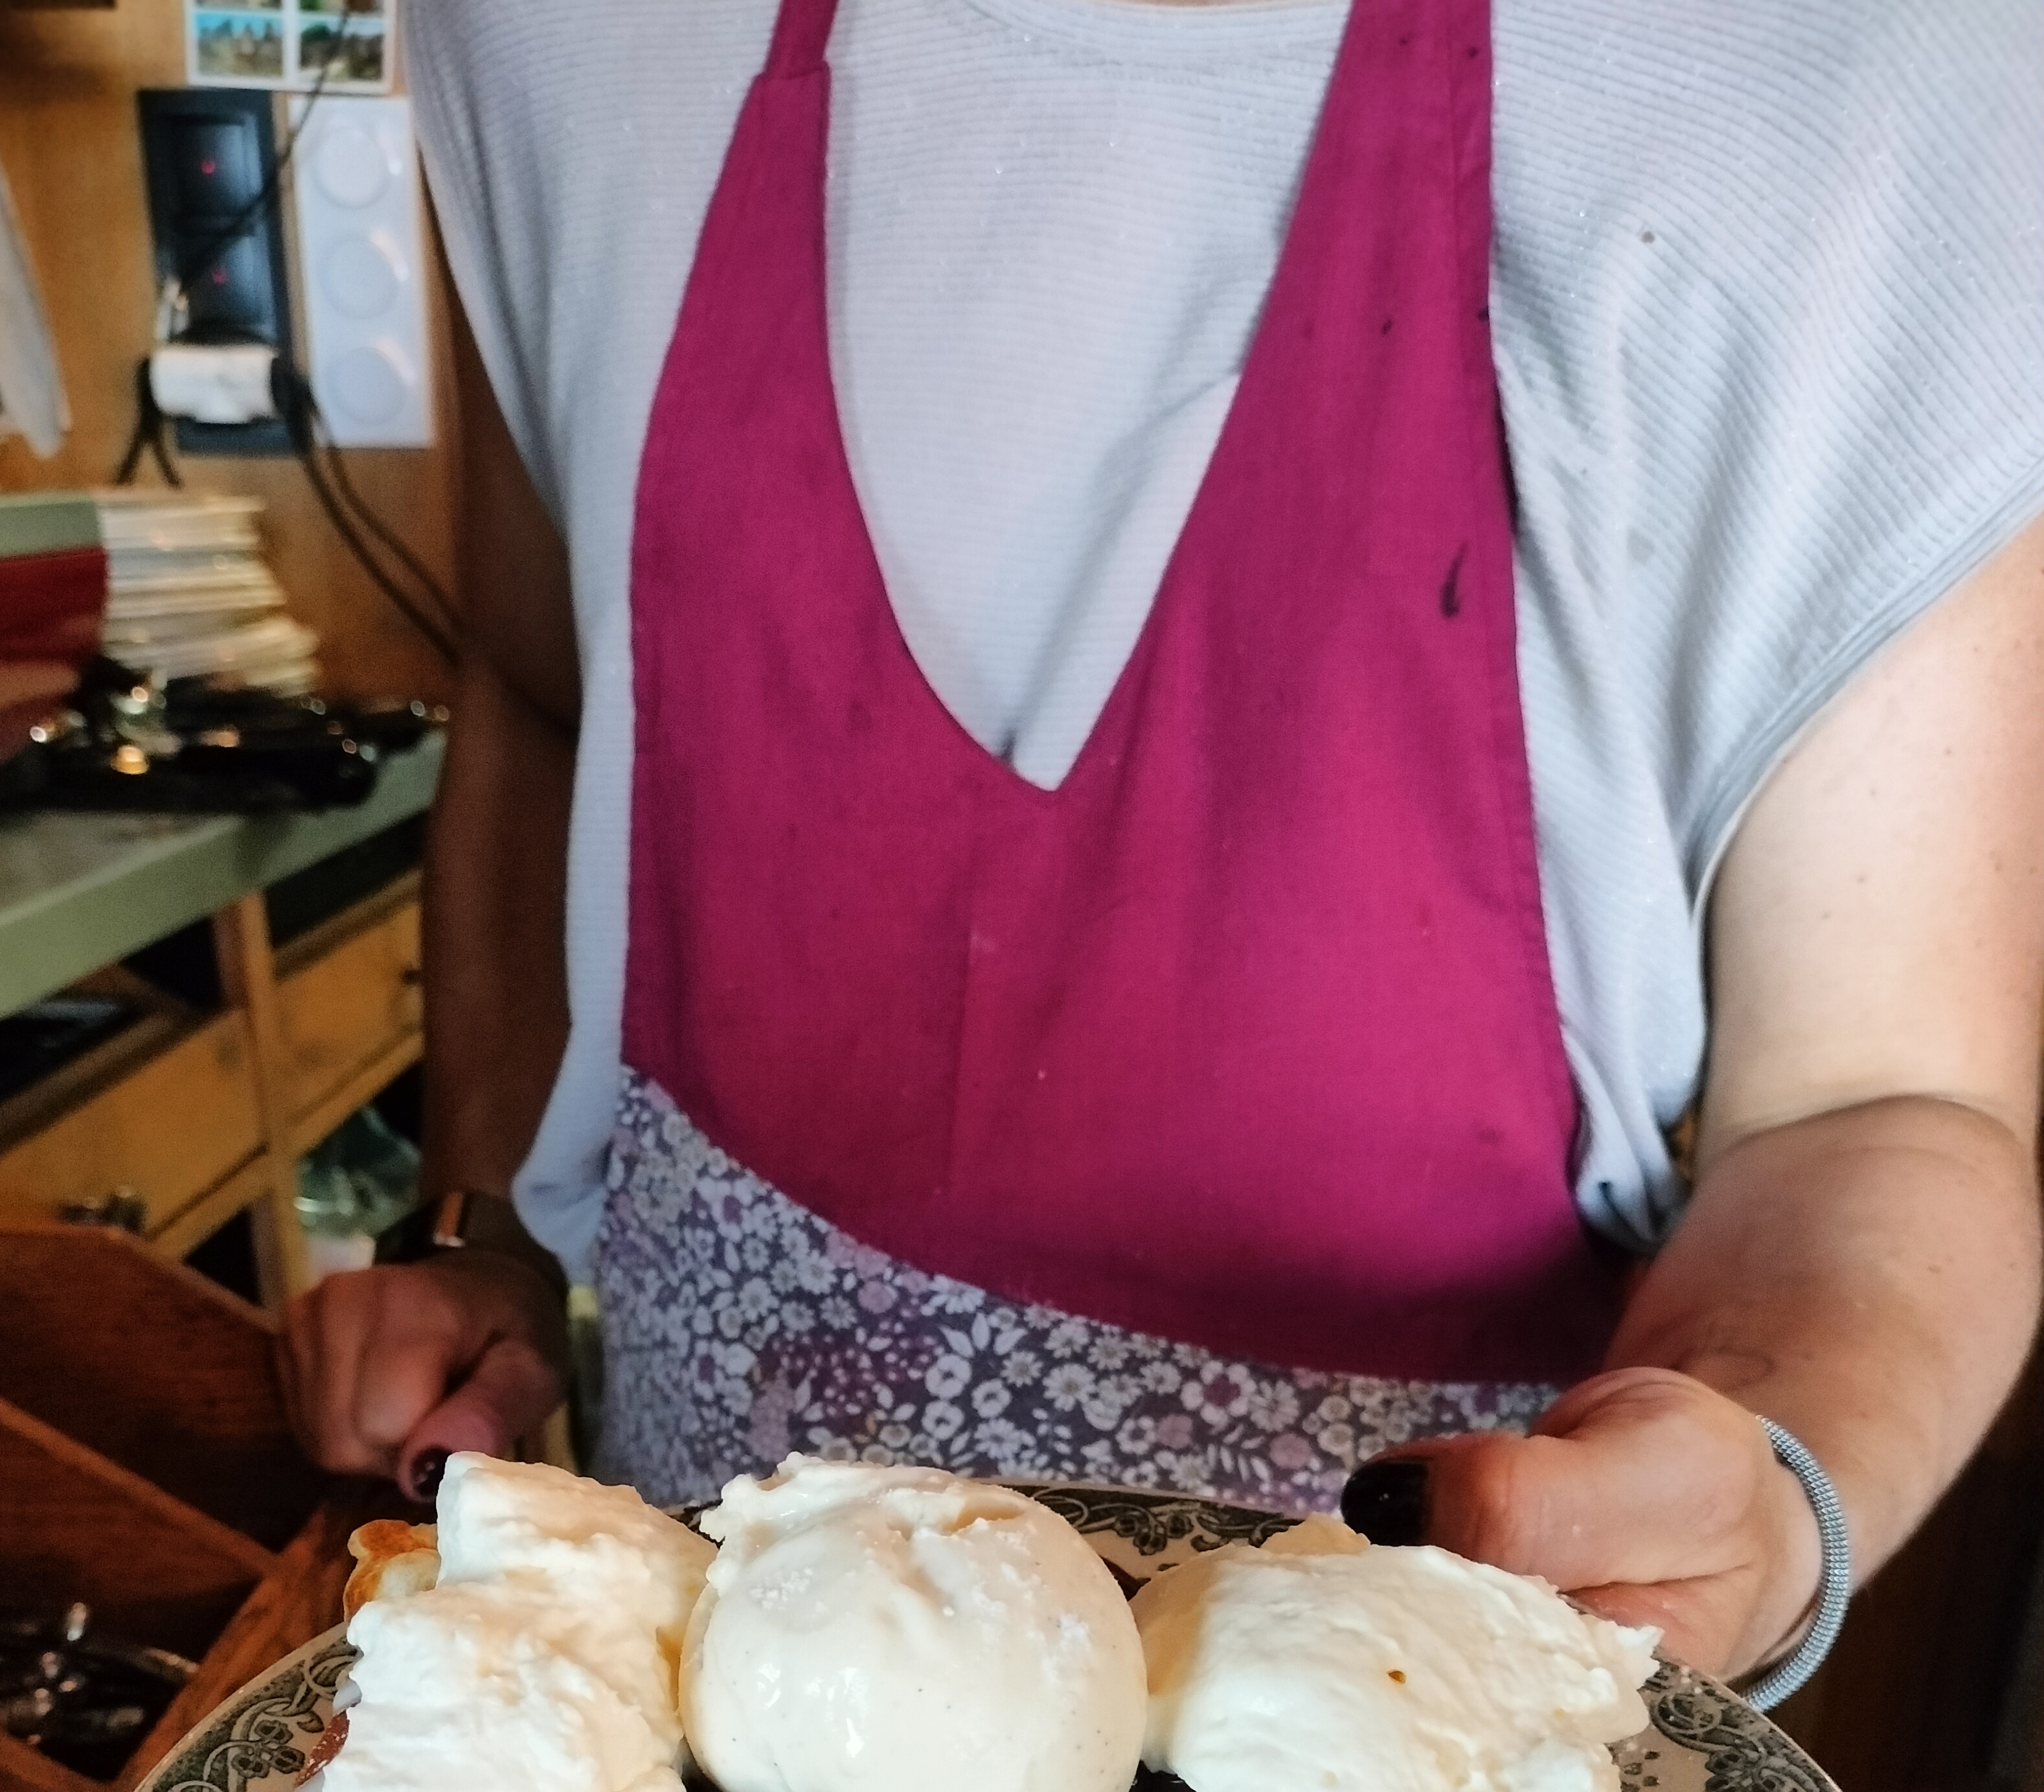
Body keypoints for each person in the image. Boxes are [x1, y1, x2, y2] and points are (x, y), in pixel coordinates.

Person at [280, 0, 2044, 1699]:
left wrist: (1762, 1489)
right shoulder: (552, 34)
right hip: (691, 1730)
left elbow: (1880, 1107)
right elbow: (536, 693)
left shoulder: (1857, 89)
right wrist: (484, 1232)